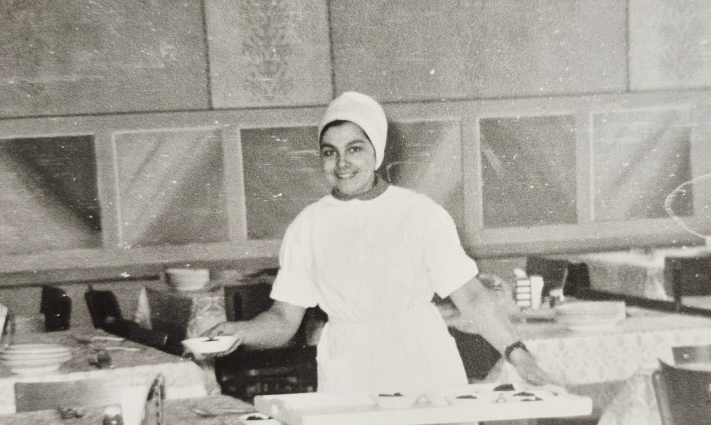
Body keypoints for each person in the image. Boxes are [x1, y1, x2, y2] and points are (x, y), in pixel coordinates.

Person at [208, 90, 553, 393]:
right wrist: (240, 332)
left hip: (422, 364)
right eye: (329, 152)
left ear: (378, 151)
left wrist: (517, 353)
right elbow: (284, 320)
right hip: (350, 369)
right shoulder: (307, 226)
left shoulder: (420, 213)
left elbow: (472, 297)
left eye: (354, 149)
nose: (342, 163)